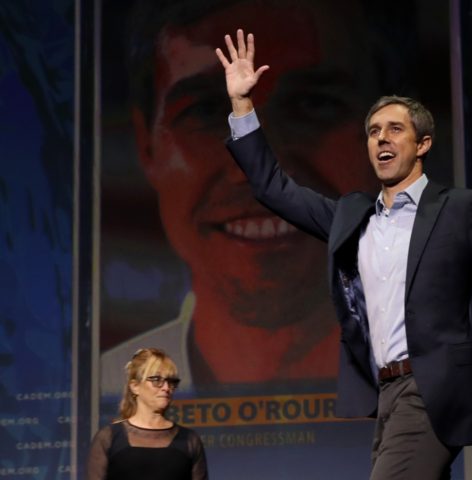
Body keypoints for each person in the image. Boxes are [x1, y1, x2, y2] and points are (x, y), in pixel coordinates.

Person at [215, 30, 472, 479]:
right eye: (373, 132)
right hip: (386, 395)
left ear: (423, 144)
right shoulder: (353, 218)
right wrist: (242, 106)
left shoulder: (458, 210)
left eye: (395, 129)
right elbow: (273, 188)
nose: (381, 139)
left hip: (434, 390)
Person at [100, 0, 429, 396]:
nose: (258, 174)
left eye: (312, 104)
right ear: (146, 143)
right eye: (208, 111)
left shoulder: (457, 381)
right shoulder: (100, 394)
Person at [87, 348, 208, 479]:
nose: (166, 388)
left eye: (171, 382)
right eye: (157, 380)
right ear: (135, 386)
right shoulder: (109, 438)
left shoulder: (189, 440)